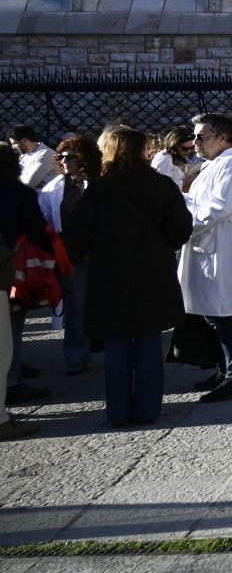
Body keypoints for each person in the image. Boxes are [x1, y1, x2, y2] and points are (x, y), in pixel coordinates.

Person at [62, 129, 191, 427]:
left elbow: (77, 234)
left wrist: (88, 251)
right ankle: (147, 408)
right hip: (152, 270)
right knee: (148, 339)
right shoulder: (161, 185)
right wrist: (161, 246)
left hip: (110, 272)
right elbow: (181, 227)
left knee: (117, 343)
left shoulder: (99, 189)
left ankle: (118, 410)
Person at [180, 114, 232, 402]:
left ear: (223, 138)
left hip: (219, 248)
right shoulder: (214, 164)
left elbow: (218, 209)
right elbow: (199, 202)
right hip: (205, 246)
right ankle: (225, 370)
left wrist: (182, 224)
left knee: (223, 313)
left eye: (202, 136)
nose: (195, 142)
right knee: (215, 313)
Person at [0, 144, 52, 434]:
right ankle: (11, 381)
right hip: (11, 270)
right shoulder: (18, 193)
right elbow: (36, 230)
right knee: (7, 337)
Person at [40, 136, 101, 374]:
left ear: (83, 158)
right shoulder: (53, 189)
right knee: (77, 306)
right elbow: (46, 220)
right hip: (72, 256)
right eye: (62, 157)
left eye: (70, 157)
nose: (64, 162)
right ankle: (75, 357)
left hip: (99, 252)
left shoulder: (96, 185)